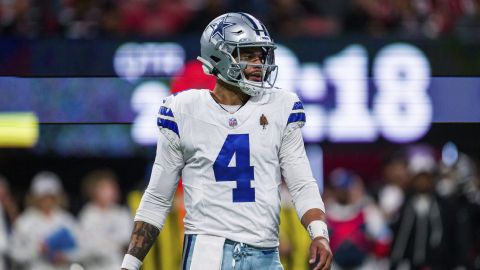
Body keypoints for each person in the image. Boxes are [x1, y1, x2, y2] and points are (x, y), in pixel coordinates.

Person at [121, 12, 332, 270]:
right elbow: (157, 198)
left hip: (266, 251)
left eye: (262, 55)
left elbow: (301, 183)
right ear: (218, 56)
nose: (259, 64)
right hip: (208, 252)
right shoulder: (184, 109)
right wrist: (130, 264)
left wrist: (319, 233)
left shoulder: (282, 106)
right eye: (248, 55)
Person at [10, 171, 83, 270]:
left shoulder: (67, 220)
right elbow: (14, 254)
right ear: (35, 197)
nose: (47, 201)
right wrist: (38, 250)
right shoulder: (24, 221)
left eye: (51, 197)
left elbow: (82, 250)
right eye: (43, 197)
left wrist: (66, 255)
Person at [78, 169, 132, 270]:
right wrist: (108, 244)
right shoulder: (87, 214)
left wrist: (105, 243)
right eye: (106, 187)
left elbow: (125, 240)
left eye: (113, 187)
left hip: (116, 266)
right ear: (94, 190)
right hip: (92, 266)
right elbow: (85, 246)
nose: (111, 191)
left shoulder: (121, 213)